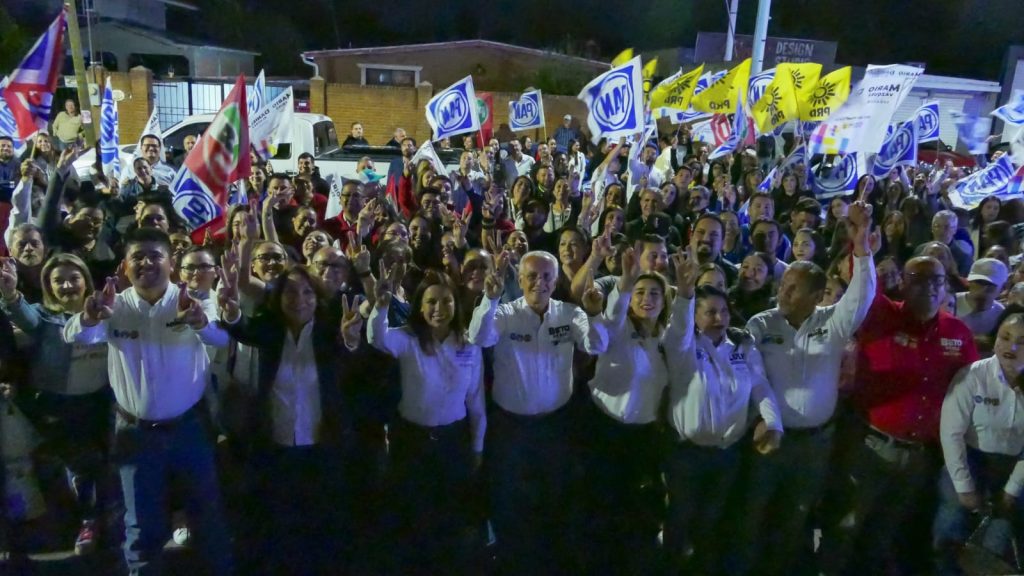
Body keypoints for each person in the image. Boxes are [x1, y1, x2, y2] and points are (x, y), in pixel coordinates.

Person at [63, 227, 234, 575]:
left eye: (155, 255)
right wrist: (90, 316)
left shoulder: (194, 300)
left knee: (208, 517)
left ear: (171, 264)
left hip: (189, 429)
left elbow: (219, 337)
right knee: (141, 526)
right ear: (125, 266)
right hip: (135, 434)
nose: (146, 262)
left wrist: (200, 322)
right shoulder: (115, 305)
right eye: (137, 257)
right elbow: (75, 334)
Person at [732, 201, 877, 576]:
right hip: (768, 439)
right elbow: (753, 374)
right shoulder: (762, 324)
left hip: (814, 444)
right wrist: (769, 419)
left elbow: (862, 298)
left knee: (795, 517)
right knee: (751, 514)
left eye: (794, 288)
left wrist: (861, 248)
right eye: (784, 285)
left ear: (817, 295)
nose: (784, 292)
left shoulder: (833, 323)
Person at [821, 254, 979, 576]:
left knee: (883, 532)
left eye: (937, 280)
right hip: (868, 447)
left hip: (918, 456)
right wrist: (863, 242)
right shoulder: (879, 314)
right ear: (903, 284)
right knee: (844, 527)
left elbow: (973, 384)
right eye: (920, 280)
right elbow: (860, 279)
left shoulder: (958, 332)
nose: (931, 288)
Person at [217, 261, 362, 575]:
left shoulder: (331, 329)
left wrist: (351, 341)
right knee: (281, 529)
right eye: (291, 292)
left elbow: (350, 355)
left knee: (322, 529)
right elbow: (240, 327)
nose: (300, 299)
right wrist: (230, 310)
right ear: (279, 297)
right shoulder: (269, 329)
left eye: (307, 291)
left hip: (323, 447)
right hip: (277, 448)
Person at [468, 250, 606, 574]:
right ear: (519, 279)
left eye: (546, 276)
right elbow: (478, 336)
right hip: (510, 427)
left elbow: (596, 345)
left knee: (556, 496)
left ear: (555, 281)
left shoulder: (571, 314)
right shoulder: (504, 313)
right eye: (531, 275)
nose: (538, 282)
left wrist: (597, 314)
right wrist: (488, 299)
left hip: (556, 425)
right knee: (510, 500)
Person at [664, 272, 783, 574]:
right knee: (679, 522)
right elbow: (678, 329)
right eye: (710, 312)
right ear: (696, 315)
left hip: (727, 455)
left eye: (724, 311)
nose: (719, 317)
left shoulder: (742, 347)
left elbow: (760, 385)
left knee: (710, 523)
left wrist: (771, 421)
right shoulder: (684, 346)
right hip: (687, 456)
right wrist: (685, 297)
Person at [368, 268, 485, 574]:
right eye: (431, 302)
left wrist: (477, 447)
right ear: (420, 306)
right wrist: (381, 306)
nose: (439, 309)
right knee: (413, 517)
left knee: (451, 519)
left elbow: (476, 401)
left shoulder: (468, 344)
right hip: (412, 441)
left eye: (446, 302)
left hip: (453, 442)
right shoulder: (407, 339)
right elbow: (376, 337)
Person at [0, 254, 112, 555]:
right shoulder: (43, 316)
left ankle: (100, 518)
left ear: (85, 280)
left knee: (101, 466)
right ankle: (87, 522)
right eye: (58, 280)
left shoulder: (105, 311)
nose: (67, 285)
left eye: (73, 278)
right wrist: (10, 293)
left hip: (101, 402)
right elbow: (24, 317)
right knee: (78, 467)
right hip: (59, 407)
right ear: (48, 287)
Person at [934, 307, 1024, 575]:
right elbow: (951, 434)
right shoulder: (972, 375)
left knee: (998, 536)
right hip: (969, 457)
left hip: (1015, 464)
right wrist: (964, 487)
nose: (1012, 346)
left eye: (1022, 341)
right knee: (951, 522)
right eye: (1005, 336)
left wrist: (1011, 490)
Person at [955, 258, 1009, 352]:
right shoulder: (950, 303)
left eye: (990, 285)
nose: (982, 290)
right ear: (969, 282)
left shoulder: (1001, 314)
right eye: (979, 283)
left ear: (1002, 288)